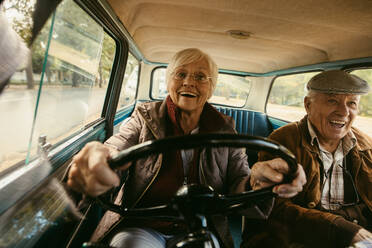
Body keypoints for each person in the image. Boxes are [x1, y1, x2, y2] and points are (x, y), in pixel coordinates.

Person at [66, 48, 306, 248]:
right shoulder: (144, 117)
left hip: (202, 226)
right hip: (142, 225)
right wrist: (101, 158)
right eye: (180, 74)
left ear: (211, 88)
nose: (189, 82)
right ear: (169, 81)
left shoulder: (226, 130)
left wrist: (258, 182)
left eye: (201, 77)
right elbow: (117, 147)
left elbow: (239, 180)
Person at [243, 70, 372, 248]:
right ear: (308, 105)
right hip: (303, 235)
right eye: (332, 101)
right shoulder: (282, 140)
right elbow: (275, 208)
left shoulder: (366, 145)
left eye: (351, 103)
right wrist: (342, 229)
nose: (343, 112)